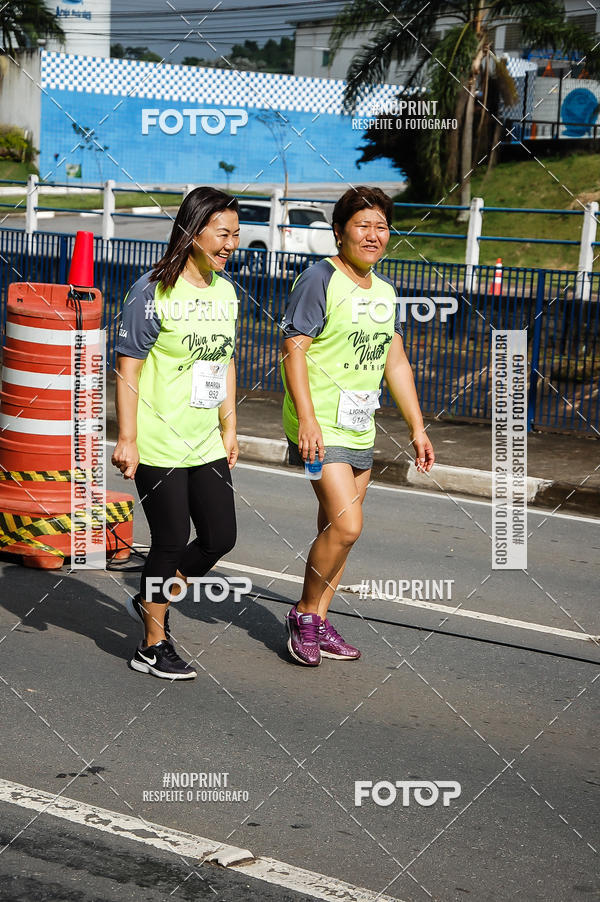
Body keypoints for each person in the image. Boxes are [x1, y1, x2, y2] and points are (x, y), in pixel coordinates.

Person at [281, 185, 434, 666]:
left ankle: (320, 619)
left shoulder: (385, 291)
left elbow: (397, 364)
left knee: (333, 527)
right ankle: (304, 614)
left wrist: (417, 427)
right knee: (348, 527)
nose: (373, 235)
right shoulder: (319, 279)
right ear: (340, 231)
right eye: (362, 225)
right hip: (319, 425)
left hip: (359, 426)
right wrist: (306, 420)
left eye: (381, 226)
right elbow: (293, 350)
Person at [112, 187, 240, 680]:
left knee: (219, 538)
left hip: (205, 439)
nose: (230, 244)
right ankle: (151, 644)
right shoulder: (152, 291)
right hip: (160, 440)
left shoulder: (225, 292)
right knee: (169, 541)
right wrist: (128, 437)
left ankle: (150, 601)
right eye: (222, 233)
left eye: (235, 235)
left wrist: (230, 428)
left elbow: (226, 361)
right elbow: (129, 367)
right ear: (193, 231)